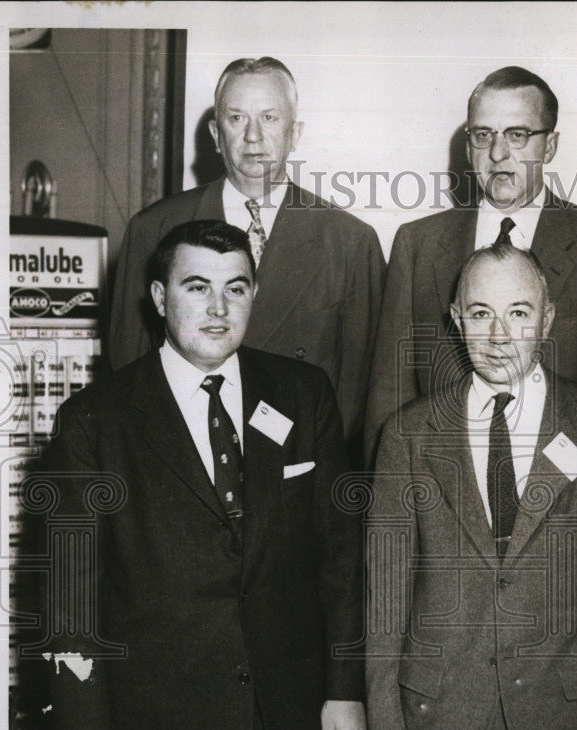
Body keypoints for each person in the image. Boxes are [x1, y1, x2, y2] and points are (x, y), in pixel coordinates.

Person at [41, 220, 364, 730]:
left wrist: (345, 689)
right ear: (159, 298)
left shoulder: (304, 394)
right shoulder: (93, 422)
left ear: (254, 295)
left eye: (235, 288)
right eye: (197, 287)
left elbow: (341, 562)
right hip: (157, 723)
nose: (219, 308)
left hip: (291, 712)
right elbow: (70, 609)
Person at [365, 244, 577, 730]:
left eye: (518, 313)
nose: (498, 336)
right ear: (456, 319)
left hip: (561, 710)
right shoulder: (407, 433)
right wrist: (385, 722)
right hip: (438, 710)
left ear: (547, 318)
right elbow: (386, 590)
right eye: (480, 314)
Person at [363, 66, 577, 463]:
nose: (498, 154)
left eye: (517, 135)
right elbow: (388, 397)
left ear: (549, 146)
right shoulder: (418, 244)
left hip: (558, 489)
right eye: (483, 135)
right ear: (468, 147)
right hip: (441, 487)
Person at [107, 57, 384, 455]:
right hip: (180, 464)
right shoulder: (153, 229)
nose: (253, 137)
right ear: (215, 134)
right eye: (236, 118)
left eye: (269, 118)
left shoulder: (350, 242)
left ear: (295, 132)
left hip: (296, 467)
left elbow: (360, 389)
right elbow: (126, 370)